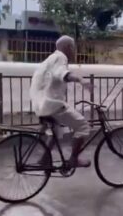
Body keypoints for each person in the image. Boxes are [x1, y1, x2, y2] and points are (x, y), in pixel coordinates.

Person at [29, 35, 93, 168]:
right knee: (83, 126)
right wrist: (81, 80)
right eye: (73, 48)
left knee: (56, 132)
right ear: (68, 47)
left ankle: (44, 159)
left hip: (40, 104)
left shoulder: (50, 59)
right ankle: (74, 159)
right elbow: (63, 74)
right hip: (51, 104)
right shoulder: (60, 57)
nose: (74, 51)